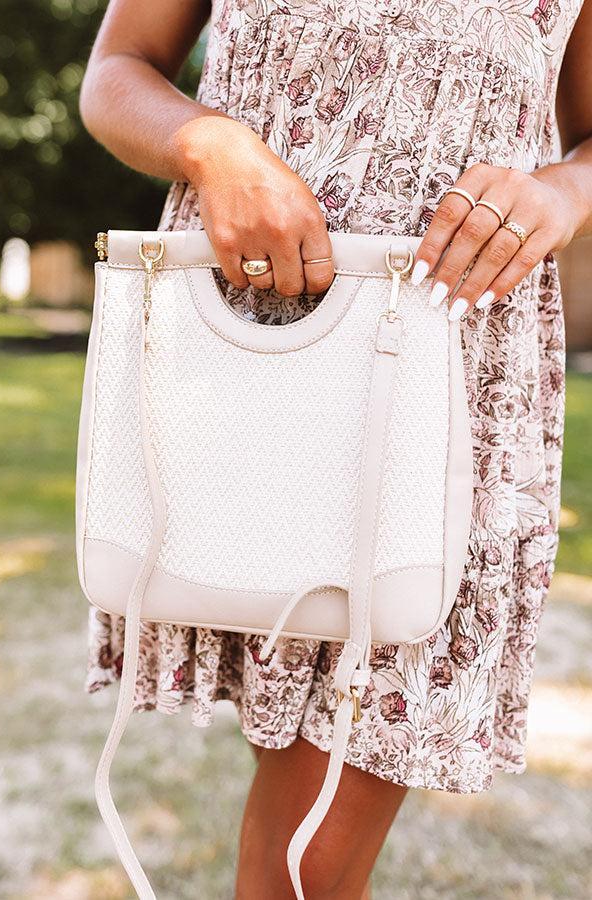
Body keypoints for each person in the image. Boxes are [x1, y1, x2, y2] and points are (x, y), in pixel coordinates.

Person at [80, 1, 592, 897]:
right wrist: (212, 143)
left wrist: (562, 191)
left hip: (452, 368)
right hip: (242, 340)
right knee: (291, 799)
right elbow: (116, 69)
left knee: (309, 857)